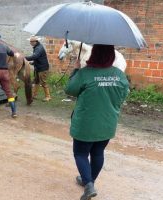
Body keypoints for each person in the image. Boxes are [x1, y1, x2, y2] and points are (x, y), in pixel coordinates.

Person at [65, 44, 129, 200]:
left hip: (85, 123)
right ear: (111, 56)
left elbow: (70, 90)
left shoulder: (85, 74)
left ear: (94, 54)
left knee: (80, 153)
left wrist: (76, 70)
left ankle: (88, 184)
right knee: (98, 152)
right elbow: (124, 94)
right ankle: (89, 180)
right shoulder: (119, 75)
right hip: (107, 123)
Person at [25, 35, 51, 102]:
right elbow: (39, 58)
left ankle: (48, 96)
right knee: (36, 81)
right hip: (38, 67)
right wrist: (33, 63)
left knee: (43, 82)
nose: (30, 43)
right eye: (30, 41)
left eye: (31, 42)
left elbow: (35, 56)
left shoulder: (39, 48)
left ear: (35, 42)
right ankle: (34, 95)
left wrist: (24, 58)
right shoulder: (36, 47)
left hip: (43, 68)